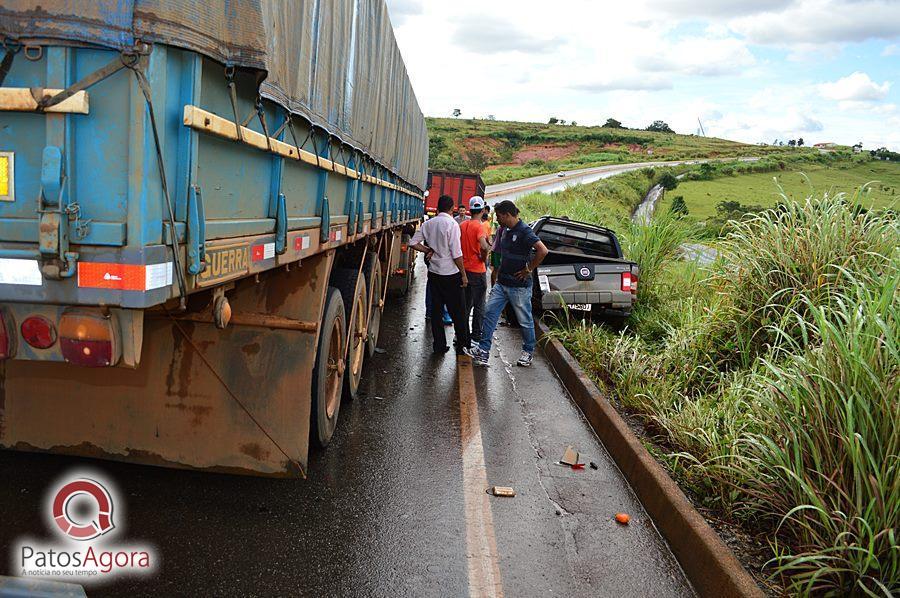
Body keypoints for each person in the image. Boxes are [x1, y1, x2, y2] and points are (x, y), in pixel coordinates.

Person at [470, 200, 548, 367]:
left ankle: (528, 351)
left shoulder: (525, 231)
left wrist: (528, 269)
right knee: (490, 313)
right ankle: (483, 351)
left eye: (499, 216)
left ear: (507, 215)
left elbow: (543, 250)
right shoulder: (504, 230)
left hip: (519, 287)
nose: (497, 219)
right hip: (502, 283)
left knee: (524, 320)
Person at [410, 195, 470, 355]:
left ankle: (439, 346)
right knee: (458, 312)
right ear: (452, 208)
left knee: (436, 312)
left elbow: (412, 243)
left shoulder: (428, 224)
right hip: (451, 274)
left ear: (438, 207)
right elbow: (456, 253)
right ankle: (462, 346)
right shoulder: (452, 224)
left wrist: (428, 250)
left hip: (434, 273)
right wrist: (463, 274)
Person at [459, 197, 491, 346]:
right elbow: (484, 246)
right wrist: (483, 258)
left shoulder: (463, 225)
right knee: (479, 306)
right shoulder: (480, 227)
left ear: (469, 210)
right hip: (477, 271)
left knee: (465, 305)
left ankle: (461, 335)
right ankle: (476, 336)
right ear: (483, 210)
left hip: (463, 270)